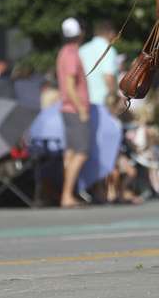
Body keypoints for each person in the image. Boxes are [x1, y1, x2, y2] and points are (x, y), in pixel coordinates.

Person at [56, 17, 91, 208]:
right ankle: (67, 194)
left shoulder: (64, 52)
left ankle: (67, 193)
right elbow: (70, 87)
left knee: (70, 154)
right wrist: (81, 109)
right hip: (74, 109)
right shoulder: (70, 54)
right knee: (81, 152)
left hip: (67, 109)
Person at [79, 21, 119, 110]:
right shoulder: (108, 50)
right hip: (102, 103)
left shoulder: (82, 49)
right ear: (111, 33)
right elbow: (109, 77)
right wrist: (115, 99)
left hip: (82, 101)